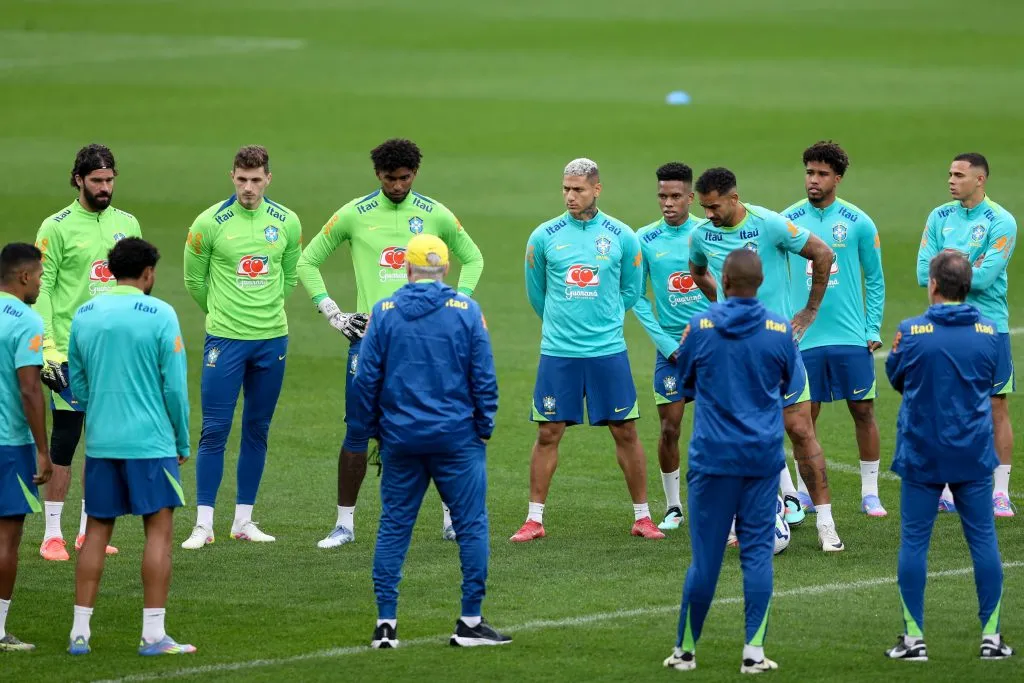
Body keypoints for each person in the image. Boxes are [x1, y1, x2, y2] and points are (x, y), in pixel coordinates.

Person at [296, 138, 485, 548]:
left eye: (404, 177)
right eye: (389, 178)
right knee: (357, 431)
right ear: (377, 175)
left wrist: (456, 302)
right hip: (372, 341)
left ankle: (452, 519)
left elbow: (474, 257)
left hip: (426, 340)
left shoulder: (435, 213)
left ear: (415, 173)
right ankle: (344, 525)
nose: (397, 185)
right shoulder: (354, 213)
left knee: (438, 426)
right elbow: (306, 261)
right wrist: (334, 314)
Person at [346, 234, 508, 648]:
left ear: (407, 269)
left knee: (394, 527)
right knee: (471, 526)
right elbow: (484, 377)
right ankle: (470, 622)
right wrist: (484, 427)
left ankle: (386, 625)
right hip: (457, 438)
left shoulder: (384, 312)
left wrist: (376, 431)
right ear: (446, 269)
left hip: (401, 439)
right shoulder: (467, 312)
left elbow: (365, 380)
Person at [687, 167, 844, 552]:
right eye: (704, 207)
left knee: (801, 431)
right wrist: (721, 308)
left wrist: (809, 311)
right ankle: (739, 519)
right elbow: (697, 271)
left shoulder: (770, 225)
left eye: (714, 206)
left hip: (777, 348)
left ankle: (825, 522)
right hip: (732, 355)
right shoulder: (701, 234)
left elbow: (823, 253)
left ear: (734, 198)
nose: (708, 214)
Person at [512, 157, 663, 542]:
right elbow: (536, 293)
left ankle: (643, 517)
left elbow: (632, 289)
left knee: (625, 430)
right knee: (548, 431)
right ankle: (534, 520)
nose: (570, 196)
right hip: (558, 352)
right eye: (566, 188)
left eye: (578, 189)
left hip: (607, 351)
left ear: (597, 189)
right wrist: (561, 324)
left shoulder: (622, 236)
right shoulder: (543, 236)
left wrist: (605, 319)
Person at [663, 249, 798, 674]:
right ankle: (754, 653)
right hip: (761, 459)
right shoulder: (780, 330)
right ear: (760, 283)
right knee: (757, 558)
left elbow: (684, 382)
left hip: (713, 458)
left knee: (705, 561)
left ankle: (685, 652)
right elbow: (788, 384)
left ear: (723, 280)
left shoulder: (700, 326)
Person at [67, 238, 194, 656]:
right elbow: (174, 386)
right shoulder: (161, 314)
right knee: (158, 533)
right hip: (150, 443)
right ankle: (153, 635)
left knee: (96, 532)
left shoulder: (85, 313)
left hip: (101, 441)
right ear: (148, 273)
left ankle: (79, 633)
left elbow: (77, 382)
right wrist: (181, 439)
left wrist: (101, 410)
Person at [884, 251, 1013, 662]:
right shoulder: (990, 331)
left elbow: (896, 377)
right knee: (983, 541)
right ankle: (992, 639)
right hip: (973, 452)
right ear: (967, 287)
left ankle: (914, 640)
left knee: (914, 542)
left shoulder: (911, 331)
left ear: (935, 285)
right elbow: (991, 381)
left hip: (922, 451)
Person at [181, 145, 302, 549]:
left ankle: (244, 521)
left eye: (256, 180)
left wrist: (265, 312)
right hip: (225, 340)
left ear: (268, 179)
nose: (248, 188)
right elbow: (194, 280)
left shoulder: (287, 221)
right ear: (232, 177)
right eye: (242, 179)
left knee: (257, 428)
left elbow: (289, 276)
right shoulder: (208, 223)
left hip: (272, 339)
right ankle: (203, 524)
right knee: (214, 430)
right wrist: (222, 313)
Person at [34, 144, 139, 560]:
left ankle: (86, 532)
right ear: (78, 179)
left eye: (110, 180)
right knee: (65, 439)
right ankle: (51, 535)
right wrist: (48, 348)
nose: (104, 187)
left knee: (102, 442)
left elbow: (134, 285)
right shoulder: (56, 227)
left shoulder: (127, 223)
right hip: (70, 352)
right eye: (97, 180)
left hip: (113, 355)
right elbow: (42, 289)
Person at [783, 141, 887, 517]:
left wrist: (871, 327)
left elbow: (874, 278)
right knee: (803, 418)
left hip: (849, 335)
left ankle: (870, 492)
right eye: (809, 172)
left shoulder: (858, 222)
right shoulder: (788, 221)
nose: (814, 179)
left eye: (822, 174)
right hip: (803, 337)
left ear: (837, 178)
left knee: (863, 410)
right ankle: (804, 492)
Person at [917, 153, 1017, 517]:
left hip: (989, 326)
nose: (951, 180)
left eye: (959, 175)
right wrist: (966, 265)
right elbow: (921, 272)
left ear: (980, 179)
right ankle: (946, 488)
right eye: (950, 174)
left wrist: (945, 264)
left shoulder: (1001, 221)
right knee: (947, 406)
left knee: (995, 406)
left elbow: (985, 278)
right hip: (946, 324)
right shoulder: (939, 216)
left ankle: (1000, 492)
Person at [632, 162, 710, 530]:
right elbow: (635, 296)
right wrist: (666, 343)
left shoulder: (707, 233)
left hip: (711, 346)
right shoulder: (644, 239)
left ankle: (776, 496)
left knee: (723, 424)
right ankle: (674, 506)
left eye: (676, 196)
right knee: (669, 428)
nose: (668, 203)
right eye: (662, 196)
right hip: (671, 352)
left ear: (690, 197)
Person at [0, 243, 52, 651]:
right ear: (23, 276)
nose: (39, 283)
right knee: (6, 538)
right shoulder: (26, 320)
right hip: (8, 443)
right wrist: (43, 450)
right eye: (38, 276)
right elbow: (30, 389)